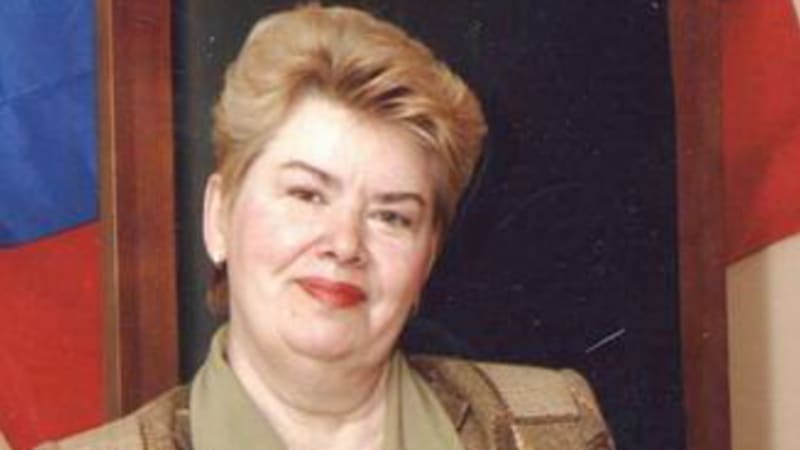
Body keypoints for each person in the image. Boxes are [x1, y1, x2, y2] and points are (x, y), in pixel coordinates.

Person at [38, 4, 613, 450]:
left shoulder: (555, 427)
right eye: (307, 195)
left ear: (428, 257)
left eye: (391, 216)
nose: (345, 245)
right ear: (219, 217)